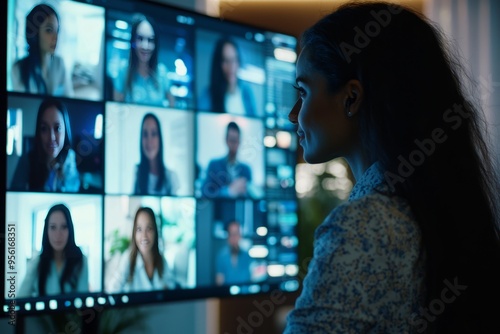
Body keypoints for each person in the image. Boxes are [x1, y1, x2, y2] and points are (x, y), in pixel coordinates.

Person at [285, 2, 500, 333]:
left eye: (303, 91)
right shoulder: (433, 205)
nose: (292, 114)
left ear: (351, 98)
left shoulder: (361, 226)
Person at [10, 98, 80, 192]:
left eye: (57, 128)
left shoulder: (70, 157)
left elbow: (73, 191)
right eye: (44, 129)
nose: (51, 137)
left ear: (65, 131)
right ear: (38, 132)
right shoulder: (27, 160)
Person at [18, 204, 89, 297]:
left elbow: (83, 301)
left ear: (70, 230)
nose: (58, 234)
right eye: (53, 227)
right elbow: (19, 299)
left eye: (63, 227)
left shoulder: (81, 261)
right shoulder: (37, 263)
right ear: (46, 230)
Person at [107, 207, 177, 293]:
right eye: (139, 229)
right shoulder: (128, 259)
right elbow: (112, 289)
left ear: (155, 231)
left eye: (149, 229)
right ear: (134, 233)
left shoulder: (162, 261)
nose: (144, 236)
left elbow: (172, 287)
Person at [11, 4, 73, 97]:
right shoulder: (18, 69)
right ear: (35, 33)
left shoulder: (59, 64)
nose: (55, 37)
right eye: (49, 30)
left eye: (57, 30)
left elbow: (68, 97)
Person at [113, 13, 174, 107]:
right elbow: (115, 109)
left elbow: (172, 106)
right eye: (140, 39)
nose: (145, 46)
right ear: (133, 40)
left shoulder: (162, 72)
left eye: (150, 40)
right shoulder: (123, 72)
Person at [198, 37, 257, 116]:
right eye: (226, 60)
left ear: (238, 62)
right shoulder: (207, 95)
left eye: (234, 60)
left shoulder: (247, 92)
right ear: (218, 64)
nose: (231, 66)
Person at [201, 121, 252, 198]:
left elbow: (252, 198)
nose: (233, 144)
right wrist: (229, 191)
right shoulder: (214, 165)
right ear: (226, 140)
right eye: (231, 140)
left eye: (235, 140)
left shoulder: (246, 169)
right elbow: (205, 193)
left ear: (239, 141)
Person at [133, 113, 179, 196]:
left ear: (159, 138)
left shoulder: (171, 177)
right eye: (145, 134)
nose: (149, 141)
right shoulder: (136, 173)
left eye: (153, 134)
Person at [215, 220, 252, 286]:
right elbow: (219, 281)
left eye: (236, 233)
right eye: (231, 234)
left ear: (240, 235)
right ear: (228, 236)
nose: (234, 237)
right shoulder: (221, 256)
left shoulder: (247, 256)